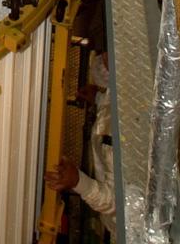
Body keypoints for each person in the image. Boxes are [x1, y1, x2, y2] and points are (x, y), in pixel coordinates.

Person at [46, 51, 115, 237]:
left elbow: (114, 201)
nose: (104, 58)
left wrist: (78, 181)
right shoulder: (119, 96)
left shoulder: (116, 129)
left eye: (108, 58)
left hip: (125, 227)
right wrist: (99, 99)